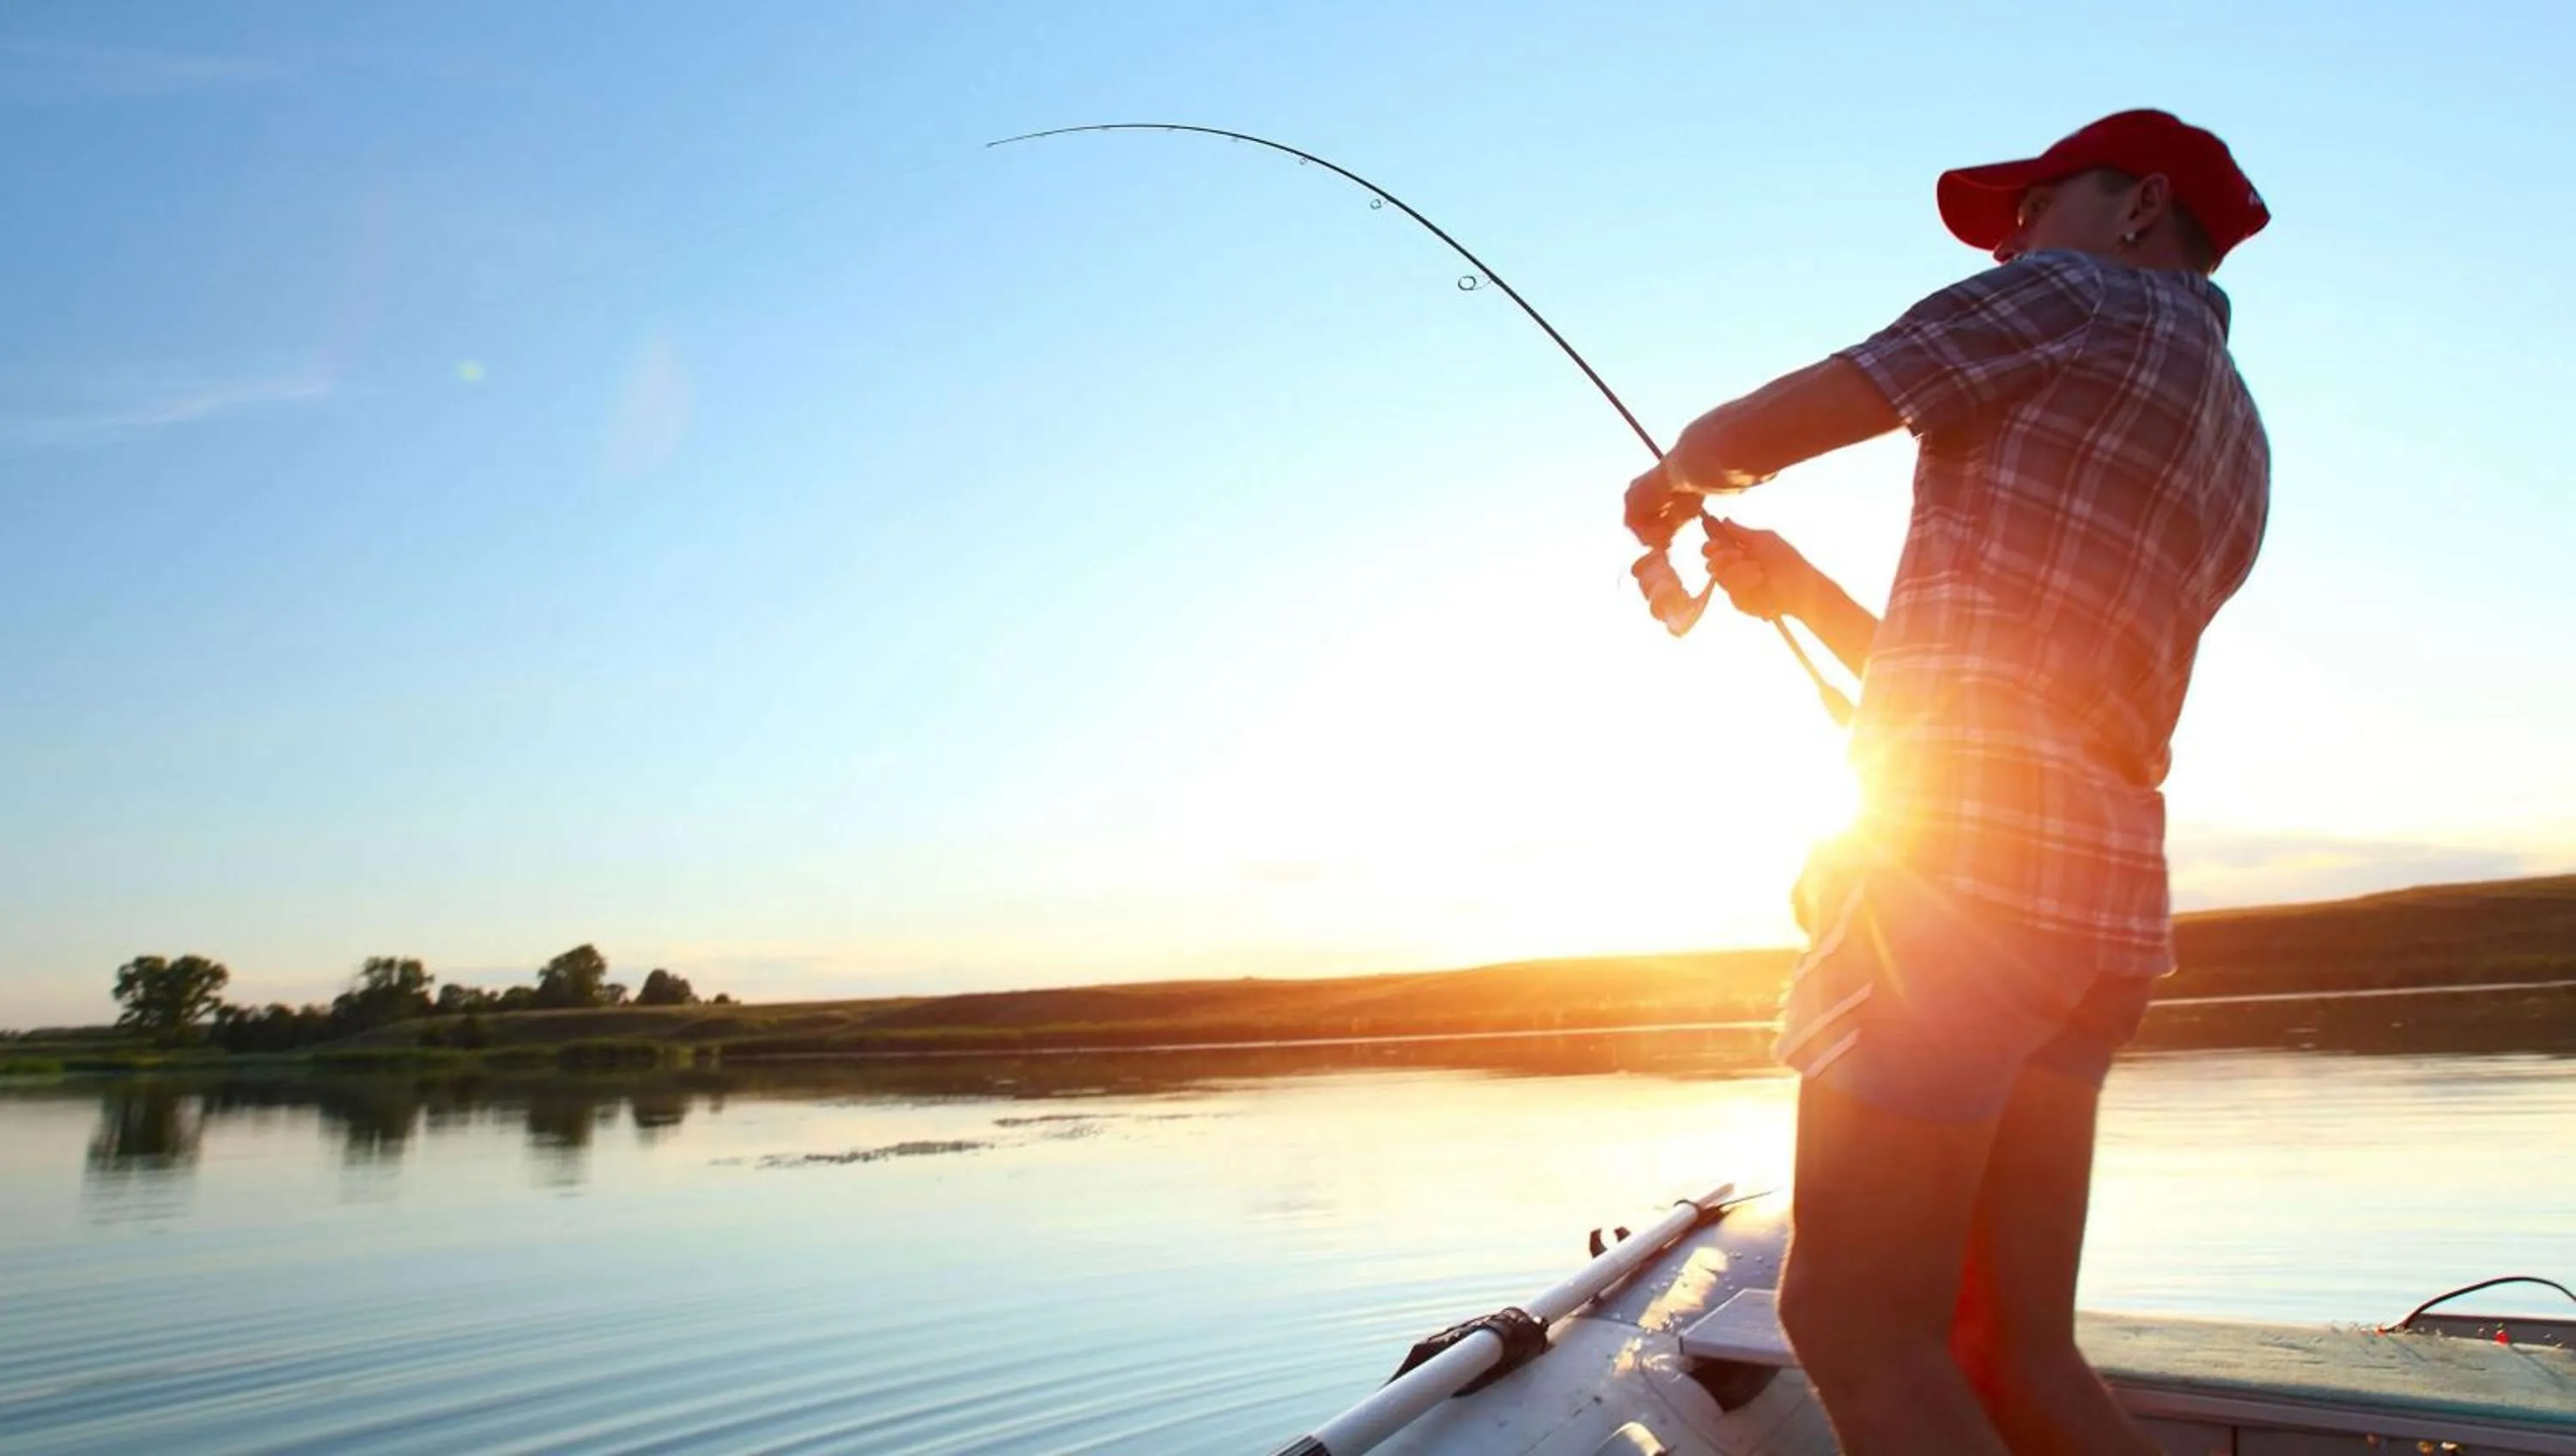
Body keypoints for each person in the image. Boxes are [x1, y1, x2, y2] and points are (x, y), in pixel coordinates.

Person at [1621, 109, 2271, 1454]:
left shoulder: (2071, 294)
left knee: (1857, 1329)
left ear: (2140, 206)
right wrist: (1799, 592)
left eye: (2031, 206)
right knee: (2015, 1350)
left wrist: (1673, 477)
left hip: (1957, 894)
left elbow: (1749, 431)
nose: (2013, 238)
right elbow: (2021, 685)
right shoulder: (2239, 436)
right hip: (2096, 909)